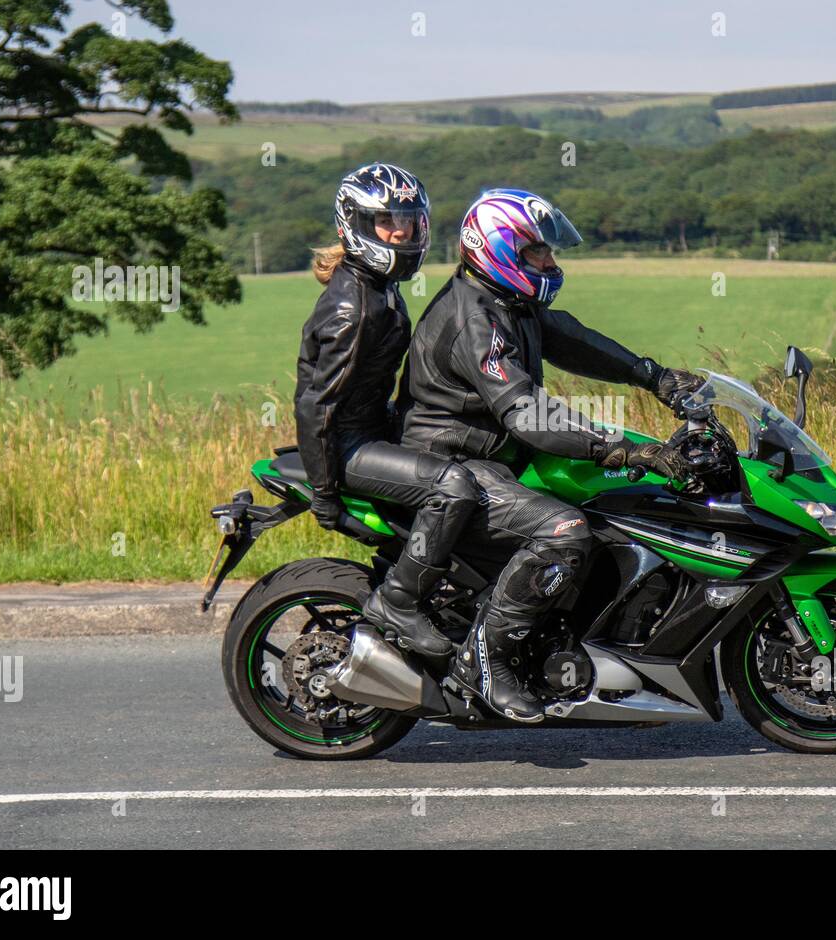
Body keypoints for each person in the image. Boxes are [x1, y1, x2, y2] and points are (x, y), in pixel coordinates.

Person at [397, 188, 701, 721]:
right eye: (539, 252)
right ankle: (487, 664)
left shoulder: (508, 302)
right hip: (453, 465)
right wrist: (628, 450)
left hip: (494, 461)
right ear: (500, 248)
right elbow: (526, 415)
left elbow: (574, 340)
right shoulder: (476, 319)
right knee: (565, 531)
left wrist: (654, 377)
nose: (551, 264)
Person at [294, 162, 479, 660]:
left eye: (409, 219)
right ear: (354, 224)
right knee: (452, 486)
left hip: (377, 431)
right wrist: (325, 491)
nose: (401, 230)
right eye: (387, 221)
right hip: (352, 447)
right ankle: (400, 603)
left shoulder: (377, 287)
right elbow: (317, 404)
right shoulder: (354, 307)